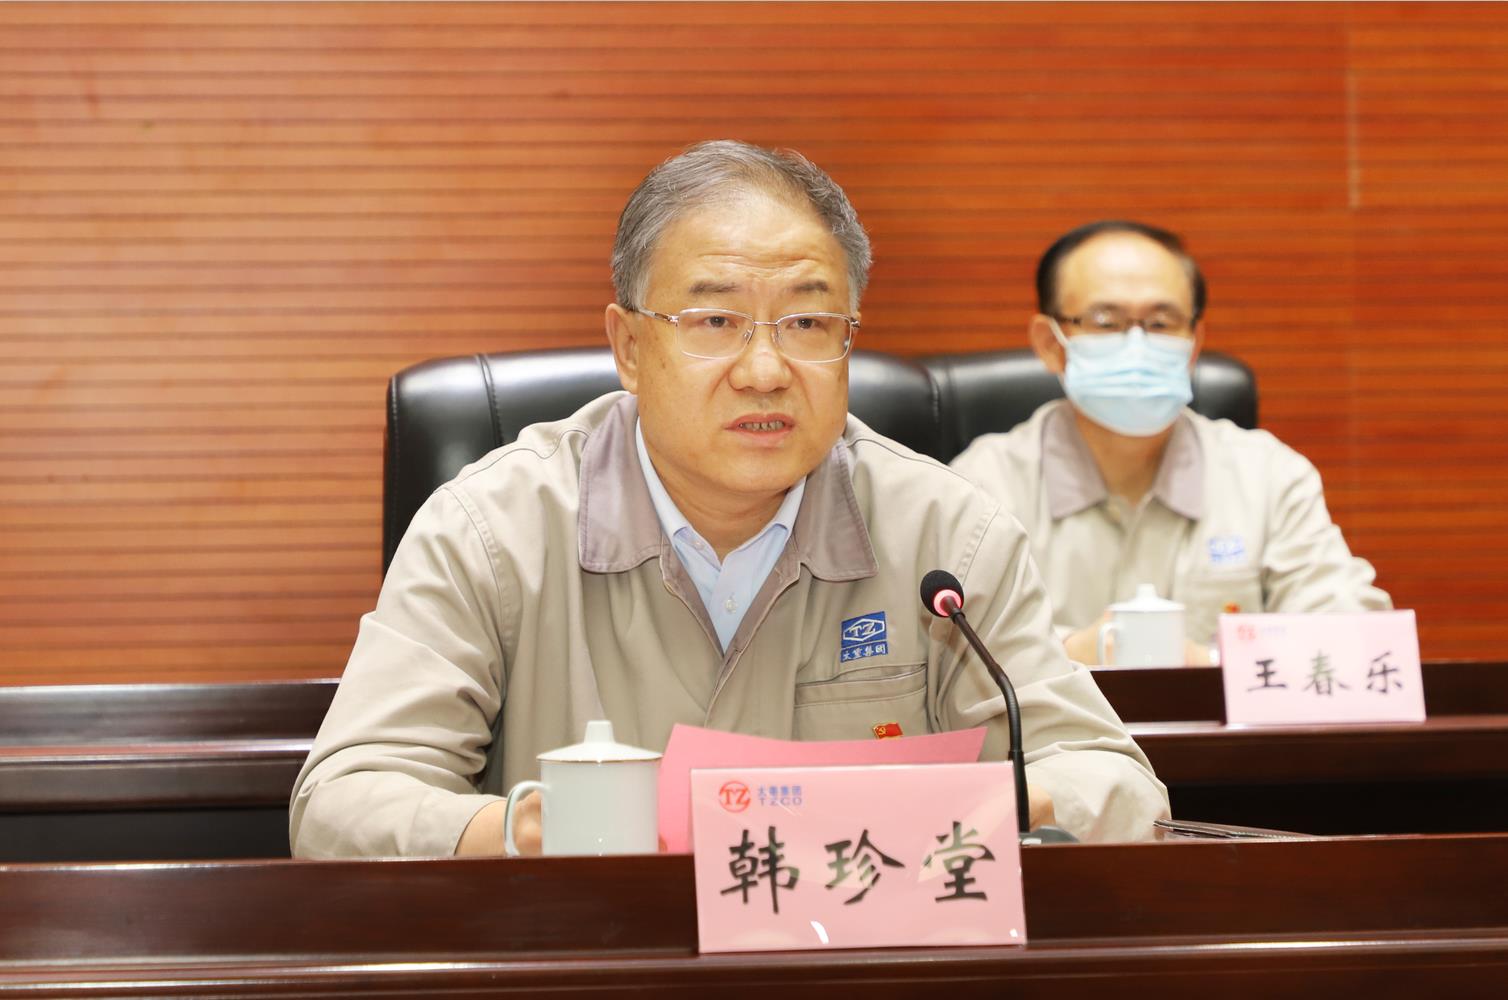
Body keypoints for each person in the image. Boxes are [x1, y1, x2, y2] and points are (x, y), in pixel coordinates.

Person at [289, 143, 1168, 858]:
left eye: (808, 323)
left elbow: (1118, 787)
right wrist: (526, 832)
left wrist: (973, 804)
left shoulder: (947, 535)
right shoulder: (493, 529)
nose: (765, 370)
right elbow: (341, 805)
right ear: (629, 348)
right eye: (714, 322)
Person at [951, 220, 1391, 665]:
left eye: (1162, 322)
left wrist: (1213, 665)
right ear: (1050, 343)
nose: (1137, 343)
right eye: (1106, 321)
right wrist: (1068, 655)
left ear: (1193, 343)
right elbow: (949, 651)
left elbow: (1353, 641)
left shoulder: (1269, 477)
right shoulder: (983, 485)